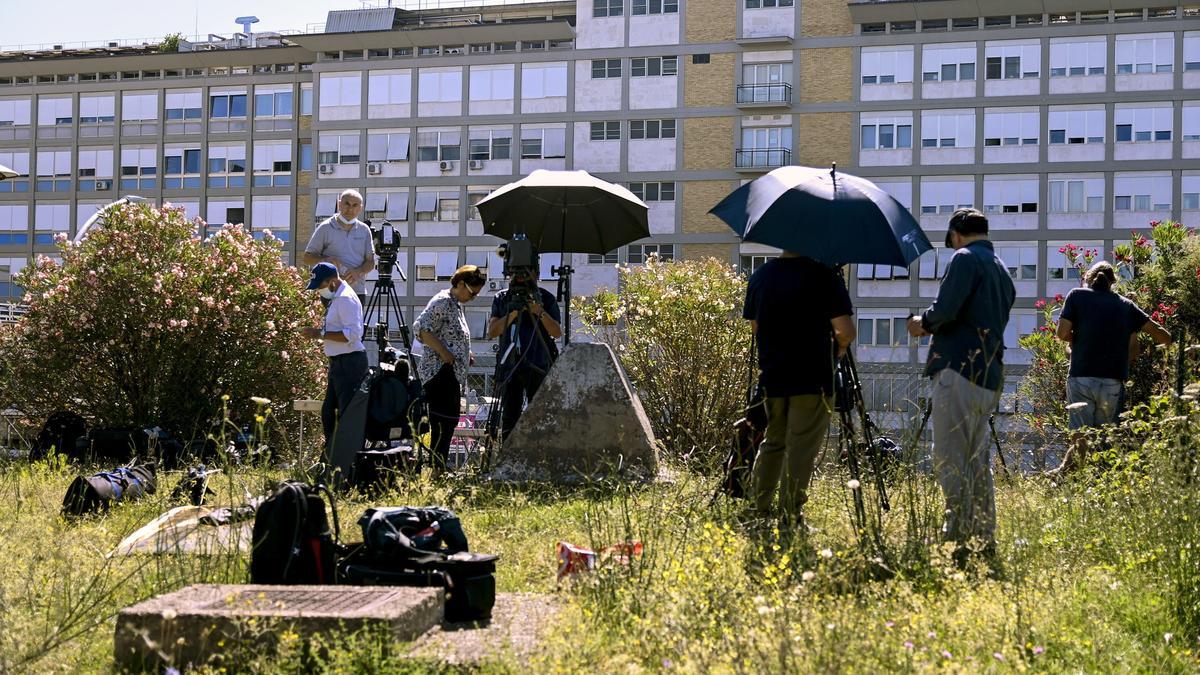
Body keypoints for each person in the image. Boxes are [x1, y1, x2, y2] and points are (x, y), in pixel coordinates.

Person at [907, 208, 1015, 564]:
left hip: (959, 369)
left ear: (955, 234)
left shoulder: (964, 259)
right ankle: (983, 537)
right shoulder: (1001, 268)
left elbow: (946, 310)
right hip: (989, 375)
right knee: (976, 460)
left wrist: (923, 323)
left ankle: (955, 539)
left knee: (950, 457)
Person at [742, 251, 856, 530]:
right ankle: (790, 517)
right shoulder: (825, 277)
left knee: (773, 441)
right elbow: (845, 331)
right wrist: (838, 349)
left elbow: (756, 326)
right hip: (812, 377)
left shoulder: (760, 276)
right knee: (801, 447)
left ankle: (758, 510)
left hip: (773, 376)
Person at [1053, 260, 1171, 471]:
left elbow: (1061, 333)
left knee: (1081, 439)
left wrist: (1076, 340)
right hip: (1112, 381)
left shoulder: (1076, 295)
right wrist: (1155, 352)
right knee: (1104, 440)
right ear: (1113, 283)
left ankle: (1065, 478)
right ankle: (1096, 482)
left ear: (1088, 279)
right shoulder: (1126, 305)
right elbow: (1164, 336)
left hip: (1081, 378)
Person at [414, 265, 488, 475]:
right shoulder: (443, 301)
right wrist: (445, 353)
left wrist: (466, 355)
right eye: (472, 293)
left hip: (451, 372)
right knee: (442, 421)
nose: (472, 298)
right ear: (460, 284)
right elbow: (421, 329)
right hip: (439, 372)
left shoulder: (455, 305)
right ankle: (436, 468)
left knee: (448, 420)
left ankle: (439, 465)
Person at [301, 262, 368, 479]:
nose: (318, 291)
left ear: (332, 281)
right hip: (339, 364)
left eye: (319, 286)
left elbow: (352, 335)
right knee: (329, 414)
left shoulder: (346, 299)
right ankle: (332, 463)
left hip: (350, 363)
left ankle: (346, 468)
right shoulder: (337, 297)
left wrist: (318, 334)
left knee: (345, 418)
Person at [486, 270, 563, 440]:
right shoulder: (502, 298)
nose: (520, 278)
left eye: (526, 274)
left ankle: (538, 455)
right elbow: (492, 331)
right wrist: (513, 313)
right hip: (510, 366)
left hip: (538, 364)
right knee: (509, 416)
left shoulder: (545, 298)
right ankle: (507, 455)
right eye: (515, 274)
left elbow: (557, 332)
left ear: (536, 275)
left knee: (540, 414)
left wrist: (539, 311)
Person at [303, 189, 375, 302]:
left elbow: (370, 262)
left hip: (356, 292)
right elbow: (307, 258)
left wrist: (359, 271)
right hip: (329, 291)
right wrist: (325, 259)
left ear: (360, 208)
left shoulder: (364, 230)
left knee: (355, 321)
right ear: (339, 203)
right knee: (328, 320)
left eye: (355, 205)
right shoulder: (325, 227)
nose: (350, 209)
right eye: (347, 204)